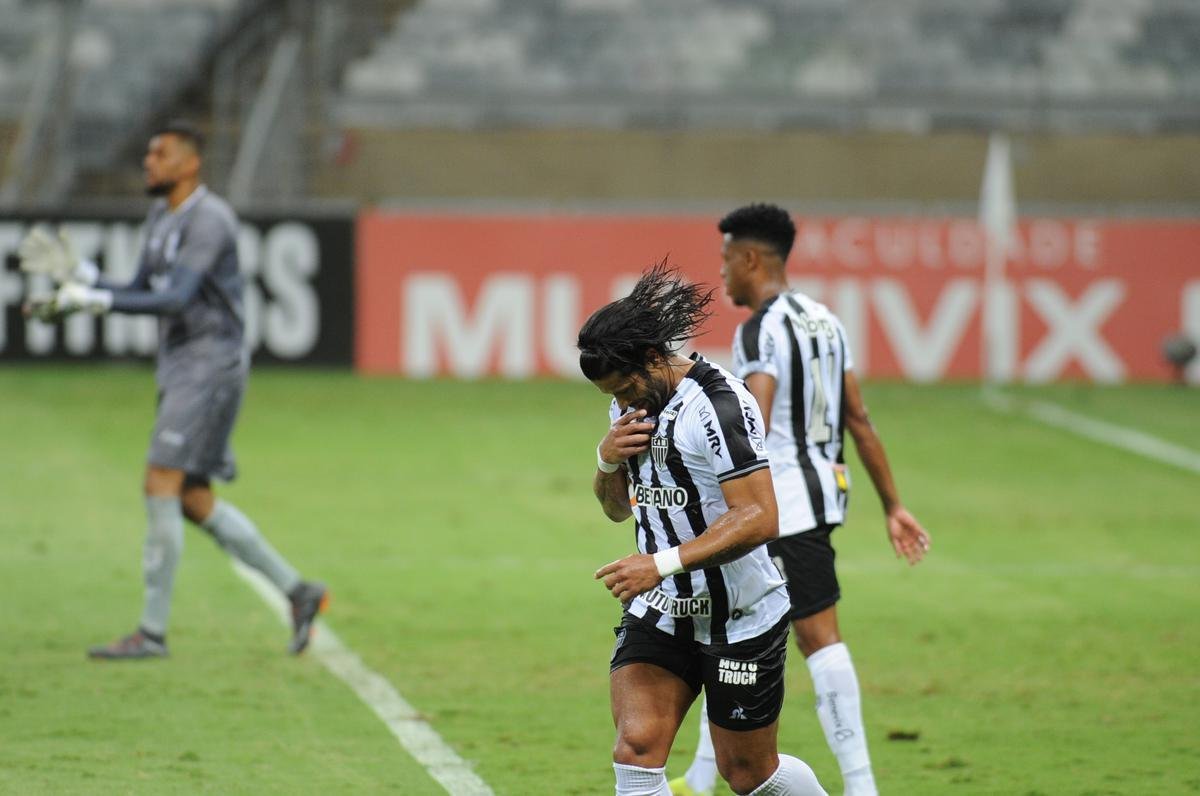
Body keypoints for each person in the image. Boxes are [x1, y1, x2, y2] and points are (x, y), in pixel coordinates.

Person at [20, 120, 327, 660]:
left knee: (159, 478)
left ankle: (152, 633)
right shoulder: (163, 215)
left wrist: (91, 301)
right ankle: (299, 592)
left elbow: (176, 298)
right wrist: (82, 277)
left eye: (159, 154)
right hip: (184, 366)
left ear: (190, 164)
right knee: (191, 498)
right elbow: (140, 289)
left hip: (210, 366)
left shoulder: (210, 220)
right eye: (147, 153)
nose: (148, 162)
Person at [670, 204, 931, 796]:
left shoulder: (760, 328)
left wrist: (714, 482)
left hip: (780, 508)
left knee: (816, 637)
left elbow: (751, 420)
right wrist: (892, 504)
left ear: (752, 258)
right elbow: (859, 418)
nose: (724, 274)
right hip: (817, 499)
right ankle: (702, 775)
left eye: (727, 260)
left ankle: (862, 787)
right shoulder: (826, 321)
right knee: (731, 624)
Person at [581, 262, 827, 796]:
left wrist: (661, 563)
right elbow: (618, 510)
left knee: (746, 773)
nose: (621, 405)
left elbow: (760, 517)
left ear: (652, 358)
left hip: (739, 614)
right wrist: (605, 463)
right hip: (663, 609)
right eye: (611, 398)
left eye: (624, 389)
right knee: (637, 749)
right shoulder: (633, 408)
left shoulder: (718, 405)